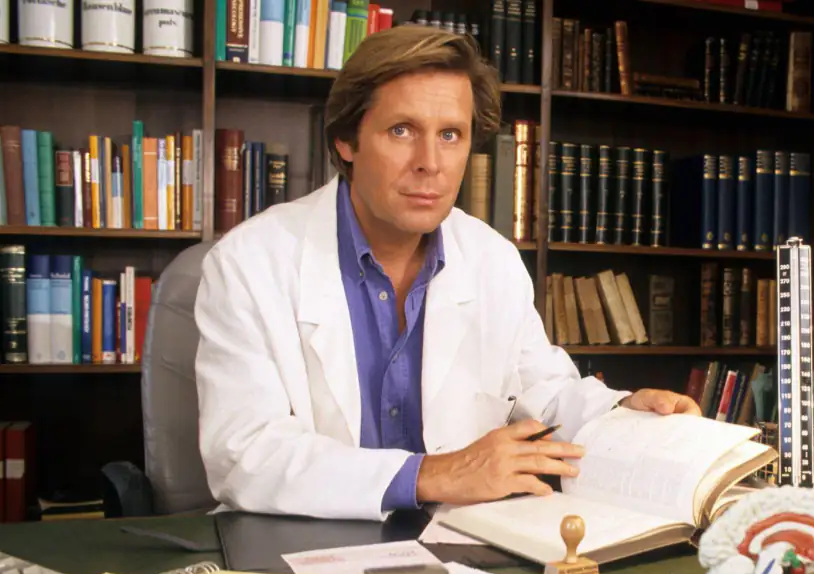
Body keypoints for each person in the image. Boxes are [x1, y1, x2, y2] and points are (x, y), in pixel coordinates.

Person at [193, 25, 701, 521]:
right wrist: (432, 475)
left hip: (460, 538)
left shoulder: (491, 258)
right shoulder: (249, 262)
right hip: (299, 540)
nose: (430, 163)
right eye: (401, 131)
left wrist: (622, 414)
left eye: (450, 135)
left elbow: (544, 391)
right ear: (346, 140)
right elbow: (243, 453)